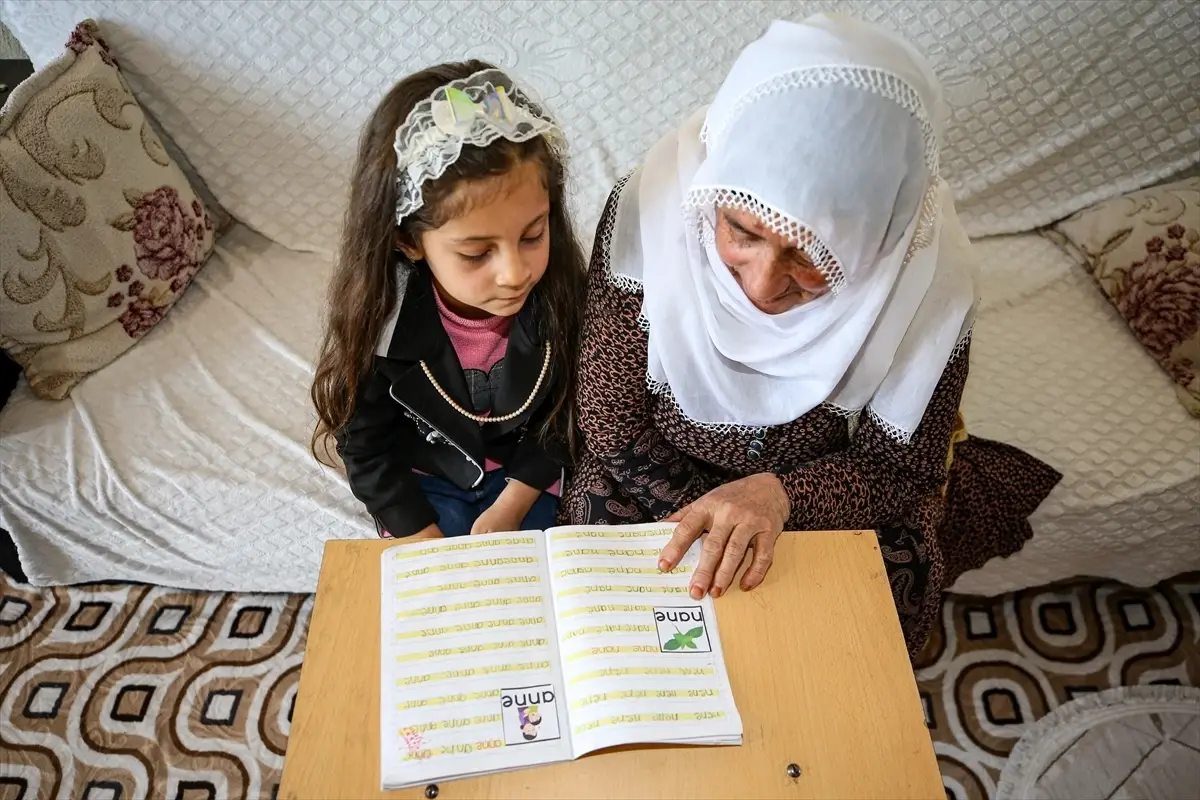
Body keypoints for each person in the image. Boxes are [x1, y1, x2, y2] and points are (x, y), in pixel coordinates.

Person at [564, 15, 1061, 655]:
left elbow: (901, 471)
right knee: (606, 576)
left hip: (817, 483)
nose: (763, 286)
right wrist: (712, 522)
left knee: (873, 596)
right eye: (741, 230)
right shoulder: (655, 206)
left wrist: (777, 498)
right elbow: (611, 414)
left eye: (815, 257)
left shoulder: (929, 277)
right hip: (658, 466)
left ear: (881, 235)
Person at [312, 61, 586, 539]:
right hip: (428, 483)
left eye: (533, 235)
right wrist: (421, 537)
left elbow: (566, 415)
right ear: (409, 241)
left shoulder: (562, 296)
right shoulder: (381, 325)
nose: (514, 274)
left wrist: (511, 507)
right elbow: (367, 450)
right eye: (477, 253)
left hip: (527, 478)